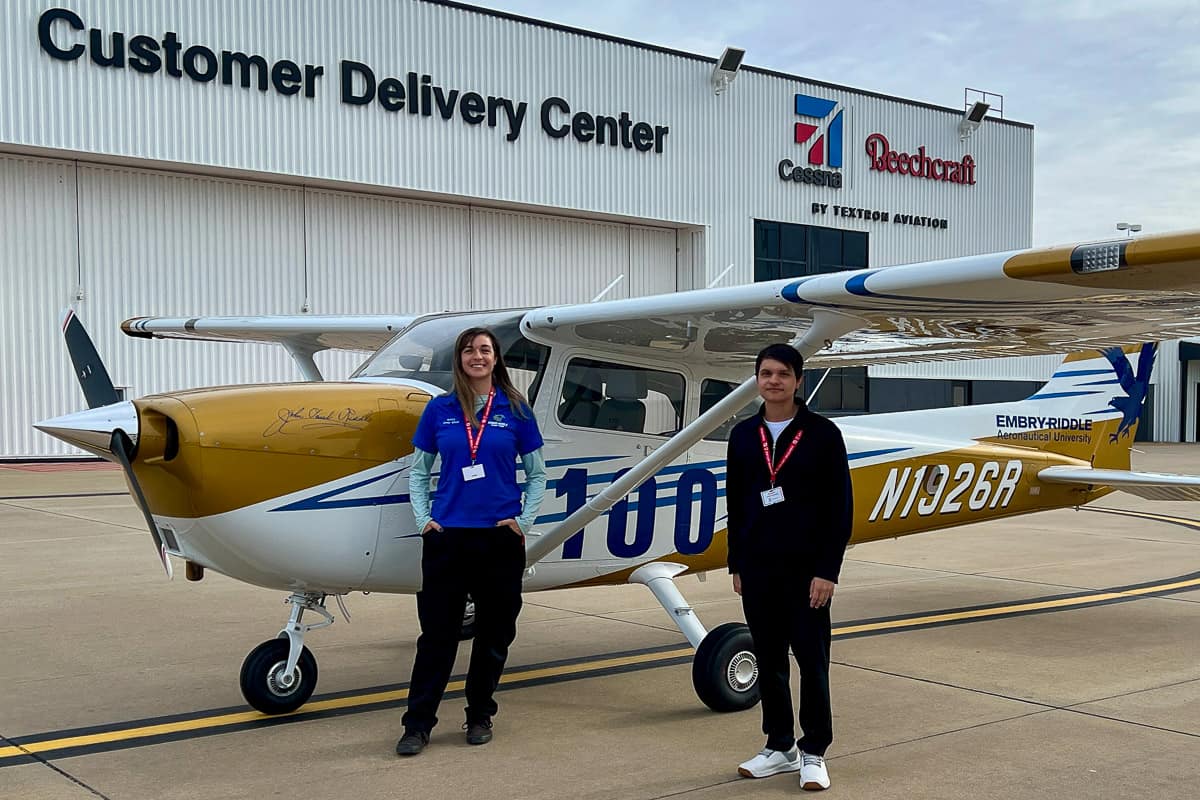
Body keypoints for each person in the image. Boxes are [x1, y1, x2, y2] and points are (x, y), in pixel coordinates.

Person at [395, 327, 547, 756]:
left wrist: (524, 521)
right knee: (437, 637)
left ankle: (480, 714)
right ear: (460, 359)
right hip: (448, 540)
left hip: (499, 540)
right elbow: (419, 472)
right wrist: (425, 519)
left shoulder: (516, 410)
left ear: (496, 359)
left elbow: (537, 475)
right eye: (468, 350)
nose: (476, 357)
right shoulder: (440, 410)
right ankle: (417, 724)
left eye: (485, 350)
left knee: (495, 634)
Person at [725, 343, 853, 791]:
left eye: (782, 373)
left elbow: (840, 508)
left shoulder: (822, 433)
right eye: (765, 373)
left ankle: (813, 749)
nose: (773, 380)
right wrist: (735, 562)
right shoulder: (743, 435)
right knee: (770, 661)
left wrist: (827, 571)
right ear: (757, 379)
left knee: (813, 663)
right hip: (759, 569)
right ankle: (779, 746)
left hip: (807, 572)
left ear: (798, 381)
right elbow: (737, 503)